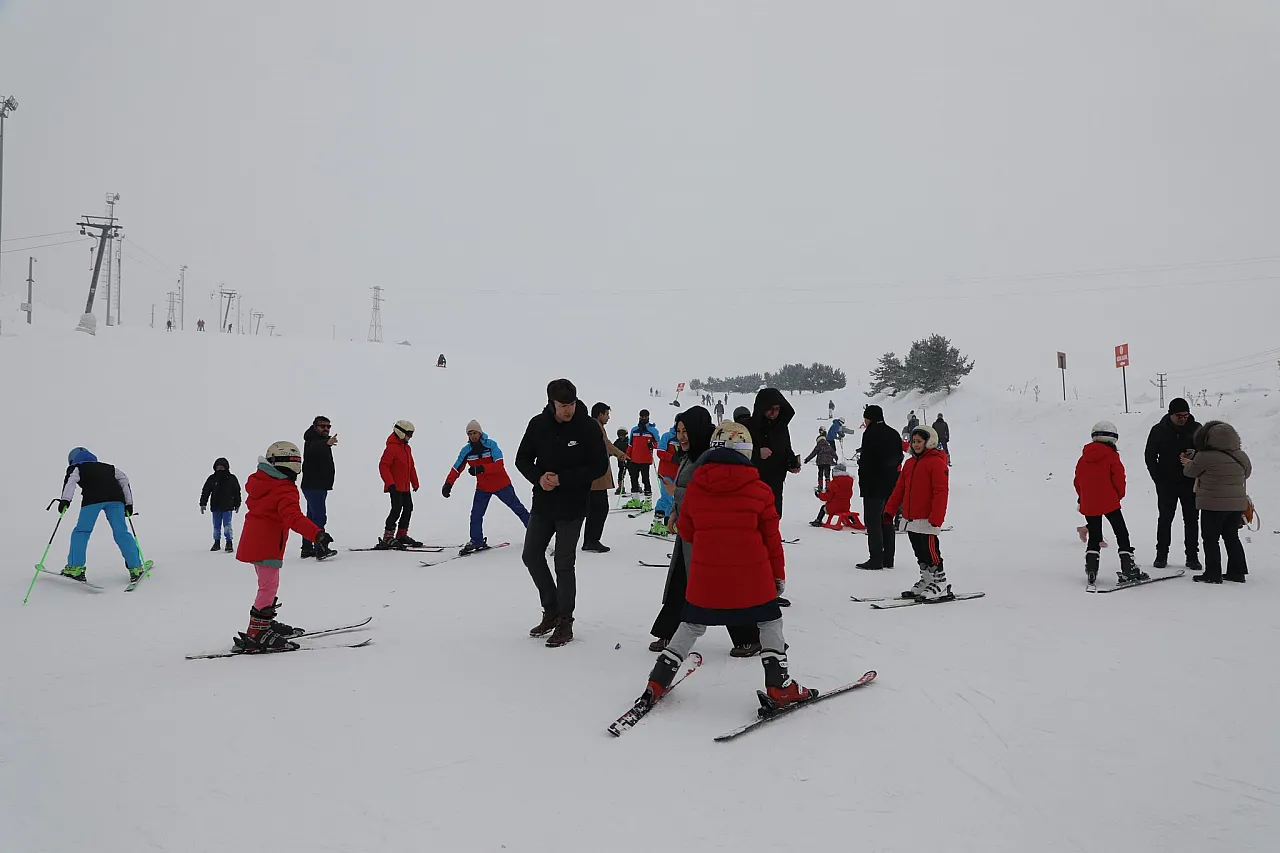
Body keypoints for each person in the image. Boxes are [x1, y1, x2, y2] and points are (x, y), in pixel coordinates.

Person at [636, 422, 813, 710]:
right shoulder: (760, 490)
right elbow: (772, 540)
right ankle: (780, 686)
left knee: (691, 624)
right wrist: (778, 576)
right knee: (769, 622)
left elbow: (688, 532)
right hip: (753, 580)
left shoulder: (695, 489)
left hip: (706, 578)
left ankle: (658, 679)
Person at [648, 406, 760, 655]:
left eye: (686, 431)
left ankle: (750, 636)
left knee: (721, 585)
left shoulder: (708, 458)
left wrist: (674, 494)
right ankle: (669, 633)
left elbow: (710, 493)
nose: (681, 436)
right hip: (690, 531)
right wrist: (675, 512)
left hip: (709, 535)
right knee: (681, 583)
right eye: (678, 431)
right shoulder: (689, 455)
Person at [516, 379, 608, 648]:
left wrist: (564, 479)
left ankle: (565, 622)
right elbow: (522, 459)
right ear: (551, 403)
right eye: (562, 406)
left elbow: (599, 466)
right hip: (544, 503)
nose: (568, 410)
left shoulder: (588, 427)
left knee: (564, 564)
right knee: (531, 555)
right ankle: (551, 610)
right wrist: (538, 477)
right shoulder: (538, 424)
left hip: (573, 505)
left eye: (571, 405)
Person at [233, 441, 335, 652]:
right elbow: (293, 517)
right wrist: (317, 534)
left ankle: (265, 623)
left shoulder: (263, 482)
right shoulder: (283, 488)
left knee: (267, 585)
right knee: (268, 586)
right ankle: (257, 631)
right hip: (267, 544)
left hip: (255, 541)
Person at [56, 448, 145, 585]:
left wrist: (65, 500)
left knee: (82, 532)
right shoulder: (110, 468)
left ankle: (75, 569)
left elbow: (71, 481)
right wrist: (129, 503)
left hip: (92, 500)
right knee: (121, 532)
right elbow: (124, 480)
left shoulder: (77, 467)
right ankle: (136, 567)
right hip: (116, 499)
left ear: (73, 460)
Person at [884, 427, 953, 599]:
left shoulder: (937, 463)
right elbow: (899, 489)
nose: (915, 445)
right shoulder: (909, 463)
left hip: (928, 518)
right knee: (919, 551)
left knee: (931, 551)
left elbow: (941, 492)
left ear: (929, 442)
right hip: (910, 517)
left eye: (919, 441)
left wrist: (937, 517)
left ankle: (940, 582)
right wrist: (889, 511)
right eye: (913, 441)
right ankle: (927, 579)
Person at [442, 420, 529, 555]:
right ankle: (476, 540)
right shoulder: (467, 451)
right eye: (470, 434)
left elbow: (499, 464)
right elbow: (456, 468)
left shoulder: (491, 445)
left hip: (502, 485)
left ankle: (535, 533)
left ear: (480, 432)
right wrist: (448, 484)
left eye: (475, 433)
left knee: (518, 508)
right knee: (476, 514)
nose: (473, 436)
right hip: (483, 488)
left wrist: (481, 468)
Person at [1182, 420, 1251, 583]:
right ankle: (1237, 572)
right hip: (1236, 505)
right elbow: (1245, 474)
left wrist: (1188, 462)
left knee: (1211, 539)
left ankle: (1213, 573)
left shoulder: (1204, 456)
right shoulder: (1241, 455)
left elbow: (1190, 472)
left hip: (1212, 504)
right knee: (1232, 536)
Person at [1074, 421, 1140, 586]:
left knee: (1094, 536)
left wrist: (1083, 497)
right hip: (1109, 501)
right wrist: (1118, 495)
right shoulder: (1111, 456)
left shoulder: (1083, 457)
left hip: (1089, 503)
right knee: (1121, 533)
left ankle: (1091, 569)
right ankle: (1128, 569)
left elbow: (1077, 480)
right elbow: (1119, 478)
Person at [1144, 398, 1201, 569]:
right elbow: (1150, 456)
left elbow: (1206, 453)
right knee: (1165, 519)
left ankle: (1192, 557)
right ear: (1170, 414)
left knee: (1191, 520)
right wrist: (1157, 478)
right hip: (1166, 484)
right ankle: (1161, 555)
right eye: (1179, 416)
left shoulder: (1197, 429)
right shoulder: (1158, 430)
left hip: (1189, 483)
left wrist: (1195, 456)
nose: (1183, 418)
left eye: (1186, 415)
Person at [856, 405, 902, 570]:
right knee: (887, 520)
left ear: (870, 418)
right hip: (891, 484)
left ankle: (876, 559)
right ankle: (888, 558)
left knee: (873, 522)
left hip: (873, 485)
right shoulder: (893, 433)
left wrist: (862, 465)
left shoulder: (870, 433)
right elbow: (899, 457)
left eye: (866, 418)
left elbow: (869, 460)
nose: (865, 421)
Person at [742, 388, 800, 518]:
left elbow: (786, 449)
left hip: (775, 483)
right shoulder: (747, 427)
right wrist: (757, 453)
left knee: (773, 516)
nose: (774, 413)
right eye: (770, 409)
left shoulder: (781, 427)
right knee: (753, 518)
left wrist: (791, 462)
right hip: (753, 483)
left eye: (777, 409)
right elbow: (736, 453)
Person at [584, 403, 628, 552]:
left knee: (594, 509)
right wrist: (619, 453)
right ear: (600, 414)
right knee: (600, 509)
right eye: (607, 414)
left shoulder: (593, 426)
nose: (608, 417)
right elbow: (606, 444)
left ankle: (589, 540)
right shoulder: (595, 426)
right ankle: (592, 540)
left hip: (594, 476)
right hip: (597, 477)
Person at [376, 420, 422, 549]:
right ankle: (388, 537)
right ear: (401, 432)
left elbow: (411, 466)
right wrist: (389, 483)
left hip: (405, 486)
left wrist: (415, 482)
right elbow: (383, 466)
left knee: (408, 508)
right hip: (395, 486)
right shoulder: (391, 448)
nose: (410, 437)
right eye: (409, 434)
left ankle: (401, 535)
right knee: (396, 509)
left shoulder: (407, 448)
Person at [300, 415, 337, 558]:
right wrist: (327, 443)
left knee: (311, 517)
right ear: (315, 427)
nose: (326, 429)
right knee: (319, 517)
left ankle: (307, 547)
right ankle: (320, 547)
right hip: (313, 485)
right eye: (323, 426)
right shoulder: (312, 440)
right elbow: (314, 449)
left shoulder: (320, 441)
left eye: (328, 426)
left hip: (318, 485)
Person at [200, 457, 242, 552]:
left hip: (228, 507)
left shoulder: (232, 478)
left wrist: (238, 503)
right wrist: (203, 503)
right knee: (216, 526)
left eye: (222, 467)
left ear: (226, 467)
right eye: (218, 467)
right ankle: (217, 543)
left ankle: (229, 543)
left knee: (227, 525)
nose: (219, 469)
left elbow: (237, 491)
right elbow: (205, 491)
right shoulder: (212, 479)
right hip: (216, 507)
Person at [651, 420, 680, 535]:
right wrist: (672, 458)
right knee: (666, 499)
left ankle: (668, 523)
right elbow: (660, 452)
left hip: (678, 474)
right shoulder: (667, 436)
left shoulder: (685, 438)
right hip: (666, 473)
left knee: (674, 500)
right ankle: (657, 524)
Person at [625, 410, 661, 502]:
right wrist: (627, 456)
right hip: (634, 459)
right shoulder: (634, 429)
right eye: (642, 416)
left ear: (648, 417)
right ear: (639, 417)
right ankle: (635, 500)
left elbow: (659, 444)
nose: (643, 418)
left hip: (645, 459)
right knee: (633, 479)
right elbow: (630, 445)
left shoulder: (653, 430)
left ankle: (648, 501)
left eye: (645, 417)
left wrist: (652, 445)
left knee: (645, 479)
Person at [810, 462, 854, 527]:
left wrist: (819, 495)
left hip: (834, 507)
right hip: (846, 507)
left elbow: (828, 497)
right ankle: (854, 521)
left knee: (823, 508)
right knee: (845, 510)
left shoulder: (833, 483)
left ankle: (818, 521)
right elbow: (850, 494)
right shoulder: (849, 483)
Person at [612, 428, 630, 495]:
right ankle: (621, 487)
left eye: (623, 435)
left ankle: (636, 486)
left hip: (629, 460)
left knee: (633, 474)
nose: (621, 437)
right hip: (621, 461)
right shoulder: (617, 442)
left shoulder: (628, 441)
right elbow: (613, 450)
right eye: (620, 435)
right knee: (621, 474)